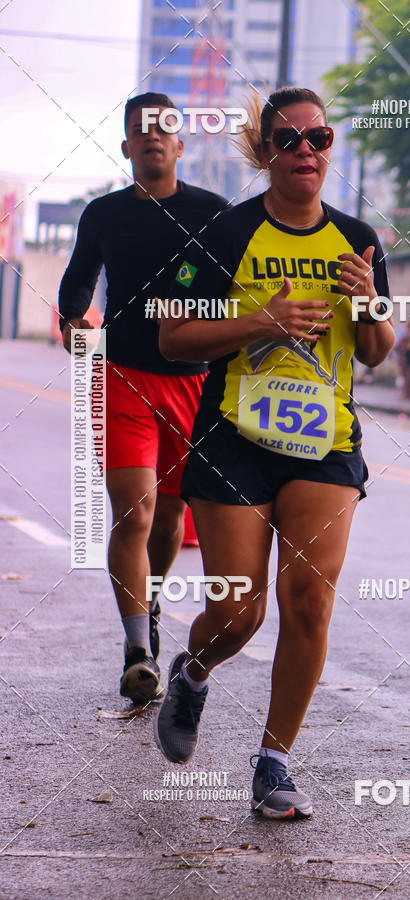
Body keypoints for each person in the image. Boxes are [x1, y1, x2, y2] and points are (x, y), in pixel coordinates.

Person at [153, 87, 396, 819]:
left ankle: (274, 761)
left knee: (310, 601)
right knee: (238, 612)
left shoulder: (357, 239)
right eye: (288, 141)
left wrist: (369, 304)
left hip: (324, 442)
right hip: (236, 438)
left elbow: (379, 354)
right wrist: (262, 322)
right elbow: (171, 336)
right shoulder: (226, 236)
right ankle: (192, 673)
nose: (305, 152)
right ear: (264, 152)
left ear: (330, 149)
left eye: (317, 139)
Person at [58, 93, 228, 704]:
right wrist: (73, 319)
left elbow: (234, 287)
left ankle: (150, 610)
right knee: (135, 509)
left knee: (173, 517)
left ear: (180, 144)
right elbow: (77, 282)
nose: (152, 137)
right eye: (139, 130)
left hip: (196, 382)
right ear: (127, 146)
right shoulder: (102, 215)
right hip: (124, 376)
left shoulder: (212, 212)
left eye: (163, 129)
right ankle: (137, 650)